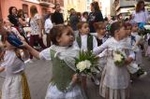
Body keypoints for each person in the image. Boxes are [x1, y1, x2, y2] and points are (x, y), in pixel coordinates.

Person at [23, 25, 86, 99]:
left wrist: (78, 75)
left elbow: (82, 64)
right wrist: (28, 47)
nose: (72, 36)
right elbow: (39, 56)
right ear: (58, 39)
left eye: (72, 34)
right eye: (68, 34)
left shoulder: (76, 50)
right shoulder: (52, 49)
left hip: (72, 85)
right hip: (57, 86)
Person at [93, 21, 135, 99]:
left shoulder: (126, 42)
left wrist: (130, 58)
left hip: (123, 70)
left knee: (122, 84)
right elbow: (99, 49)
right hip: (111, 70)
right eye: (124, 29)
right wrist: (89, 55)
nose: (127, 31)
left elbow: (132, 53)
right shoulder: (109, 41)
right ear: (117, 32)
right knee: (112, 84)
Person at [0, 24, 31, 99]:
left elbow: (27, 57)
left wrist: (24, 48)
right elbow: (4, 66)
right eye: (4, 41)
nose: (4, 43)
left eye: (6, 41)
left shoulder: (18, 53)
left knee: (18, 95)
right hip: (9, 79)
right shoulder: (5, 53)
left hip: (18, 80)